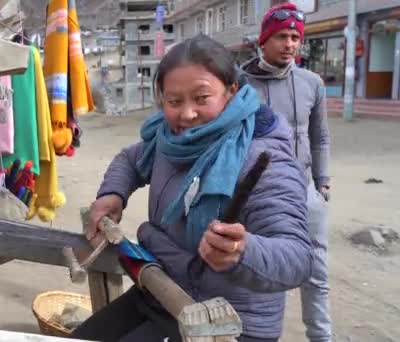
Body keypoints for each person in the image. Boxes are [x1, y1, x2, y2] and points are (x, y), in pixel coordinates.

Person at [70, 35, 313, 342]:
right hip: (163, 290)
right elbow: (130, 160)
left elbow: (298, 258)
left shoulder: (263, 158)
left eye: (201, 98)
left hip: (227, 323)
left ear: (231, 91)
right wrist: (113, 194)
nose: (186, 114)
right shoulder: (167, 139)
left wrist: (243, 251)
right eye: (174, 101)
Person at [240, 3, 332, 342]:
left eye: (295, 37)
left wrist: (322, 182)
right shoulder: (240, 85)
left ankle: (321, 338)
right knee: (263, 274)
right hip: (258, 194)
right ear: (264, 40)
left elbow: (319, 136)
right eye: (282, 36)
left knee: (317, 275)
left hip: (305, 192)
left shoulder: (312, 83)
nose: (290, 44)